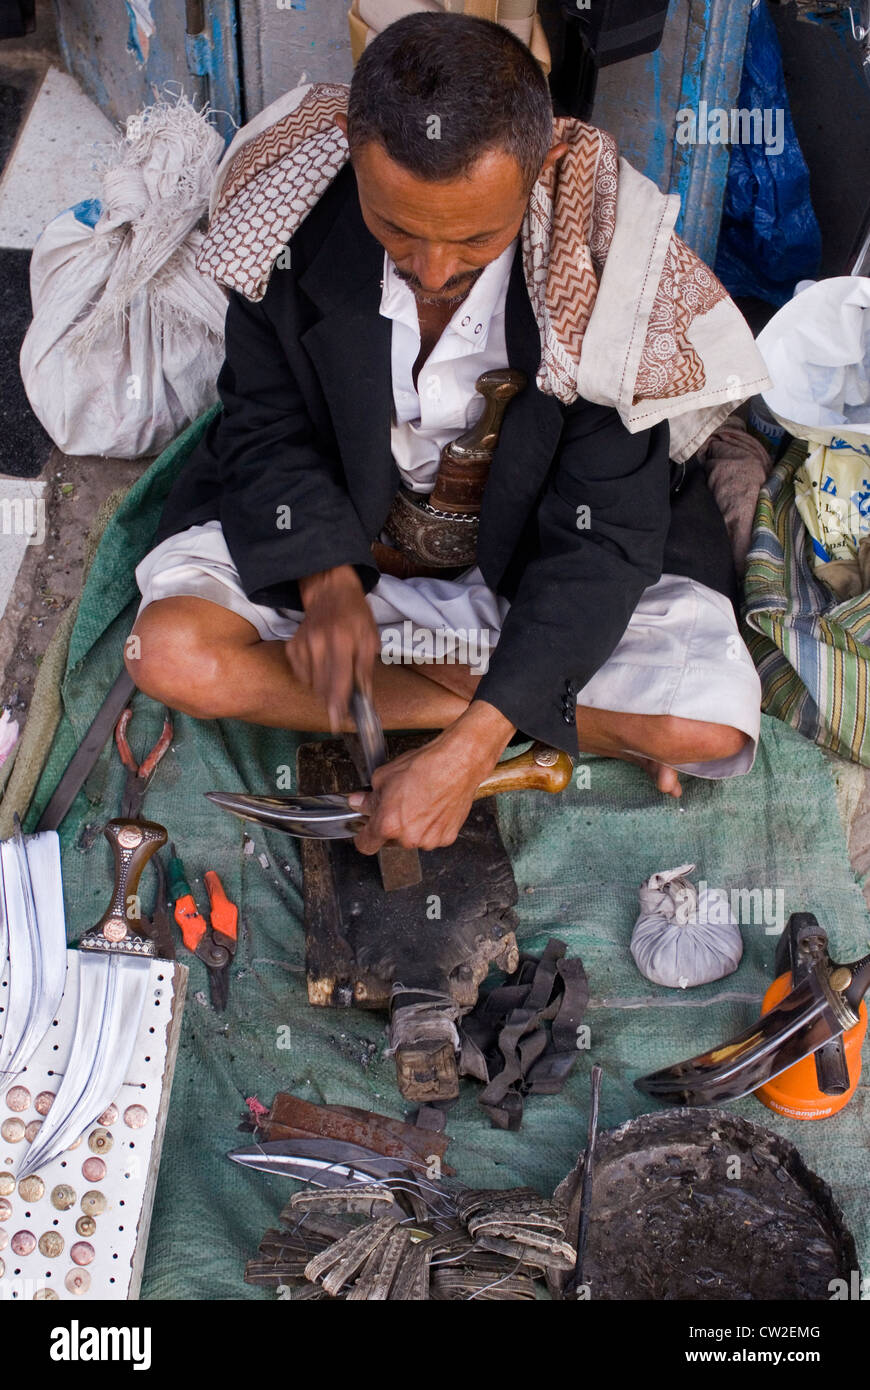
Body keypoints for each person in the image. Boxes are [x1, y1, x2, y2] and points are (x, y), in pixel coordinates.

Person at [127, 13, 762, 856]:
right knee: (168, 654)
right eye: (396, 230)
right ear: (355, 165)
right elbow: (263, 425)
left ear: (537, 176)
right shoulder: (286, 227)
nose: (432, 271)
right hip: (355, 548)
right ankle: (560, 713)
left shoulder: (606, 281)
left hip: (521, 575)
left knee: (708, 729)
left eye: (474, 238)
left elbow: (601, 543)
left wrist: (473, 747)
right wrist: (322, 577)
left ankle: (493, 705)